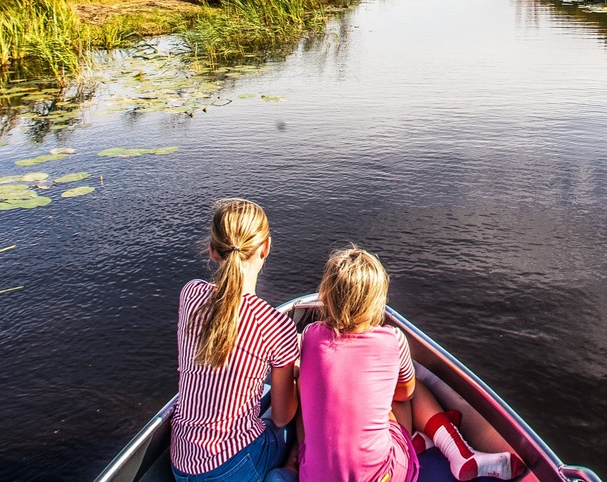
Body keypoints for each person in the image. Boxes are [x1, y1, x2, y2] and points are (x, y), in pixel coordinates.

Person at [291, 246, 523, 482]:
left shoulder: (310, 335)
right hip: (384, 476)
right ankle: (456, 452)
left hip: (313, 477)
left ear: (327, 296)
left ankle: (425, 440)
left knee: (304, 387)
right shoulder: (393, 339)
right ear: (377, 300)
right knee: (413, 387)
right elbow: (406, 394)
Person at [170, 199, 300, 482]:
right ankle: (289, 471)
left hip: (180, 463)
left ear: (212, 251)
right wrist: (298, 385)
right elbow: (281, 417)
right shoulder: (276, 325)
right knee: (296, 419)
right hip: (233, 466)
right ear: (266, 247)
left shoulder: (190, 295)